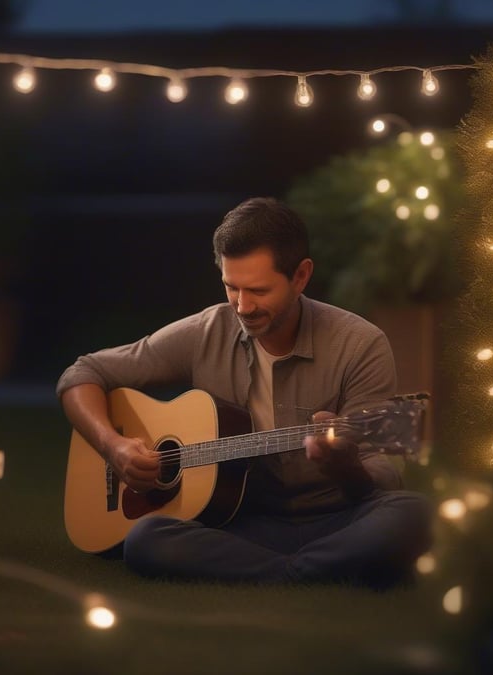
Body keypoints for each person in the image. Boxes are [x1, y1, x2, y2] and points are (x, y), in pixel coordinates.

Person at [56, 196, 432, 586]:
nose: (242, 306)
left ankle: (281, 571)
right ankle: (311, 571)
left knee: (413, 514)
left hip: (337, 519)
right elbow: (83, 373)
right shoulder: (206, 331)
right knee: (145, 538)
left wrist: (344, 465)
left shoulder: (360, 344)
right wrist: (112, 447)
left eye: (258, 290)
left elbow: (382, 476)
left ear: (301, 276)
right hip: (241, 522)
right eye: (231, 288)